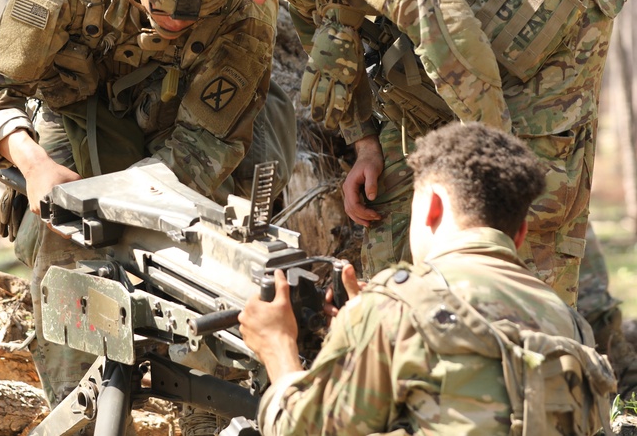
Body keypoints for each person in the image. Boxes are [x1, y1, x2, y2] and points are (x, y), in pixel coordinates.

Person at [173, 0, 628, 310]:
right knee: (391, 204)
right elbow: (325, 33)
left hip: (546, 6)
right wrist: (366, 145)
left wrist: (494, 169)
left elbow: (447, 34)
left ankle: (536, 366)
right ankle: (407, 360)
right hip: (456, 33)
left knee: (528, 209)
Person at [0, 0, 298, 417]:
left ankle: (219, 407)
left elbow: (204, 145)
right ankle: (79, 408)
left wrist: (136, 210)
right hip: (82, 109)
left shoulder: (243, 3)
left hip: (204, 127)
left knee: (220, 253)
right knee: (64, 234)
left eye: (189, 22)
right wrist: (36, 166)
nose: (173, 28)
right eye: (160, 14)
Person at [238, 121, 616, 435]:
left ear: (432, 206)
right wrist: (358, 330)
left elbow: (301, 429)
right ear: (519, 234)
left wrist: (277, 348)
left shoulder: (396, 305)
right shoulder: (568, 322)